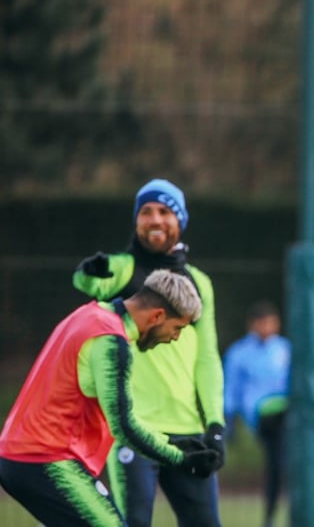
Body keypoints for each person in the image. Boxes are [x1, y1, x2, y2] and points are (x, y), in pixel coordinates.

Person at [0, 270, 221, 527]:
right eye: (178, 327)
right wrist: (181, 459)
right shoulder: (110, 341)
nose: (176, 338)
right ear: (158, 316)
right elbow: (124, 426)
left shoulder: (88, 315)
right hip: (46, 461)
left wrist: (173, 444)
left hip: (22, 457)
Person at [72, 178, 225, 526]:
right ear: (136, 221)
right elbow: (89, 283)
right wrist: (88, 272)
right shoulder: (123, 267)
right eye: (146, 211)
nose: (155, 219)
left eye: (164, 211)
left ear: (180, 220)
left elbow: (208, 358)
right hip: (134, 431)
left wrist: (215, 424)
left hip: (189, 430)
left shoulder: (199, 283)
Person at [223, 300, 291, 527]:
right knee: (278, 462)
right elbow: (231, 388)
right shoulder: (239, 353)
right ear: (252, 325)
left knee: (281, 464)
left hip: (287, 413)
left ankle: (271, 516)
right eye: (263, 323)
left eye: (272, 323)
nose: (267, 328)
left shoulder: (285, 349)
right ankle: (270, 517)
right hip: (262, 416)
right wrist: (229, 420)